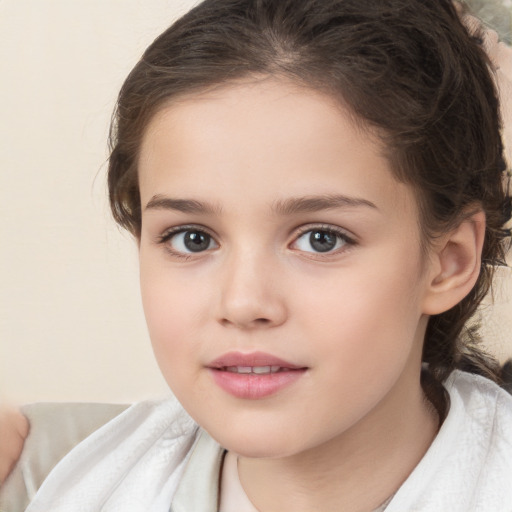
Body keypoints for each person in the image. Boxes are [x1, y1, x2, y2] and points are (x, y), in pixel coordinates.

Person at [1, 0, 512, 510]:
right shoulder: (65, 481)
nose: (243, 303)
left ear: (450, 261)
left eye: (321, 239)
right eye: (192, 238)